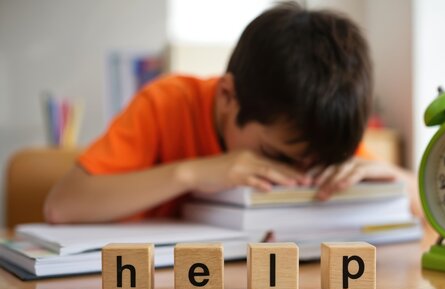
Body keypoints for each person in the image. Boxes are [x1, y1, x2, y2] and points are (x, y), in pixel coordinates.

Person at [44, 2, 420, 224]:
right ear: (227, 96)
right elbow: (62, 205)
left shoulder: (312, 129)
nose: (298, 174)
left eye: (313, 163)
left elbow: (426, 205)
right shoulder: (168, 103)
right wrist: (192, 173)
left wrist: (392, 175)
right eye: (275, 156)